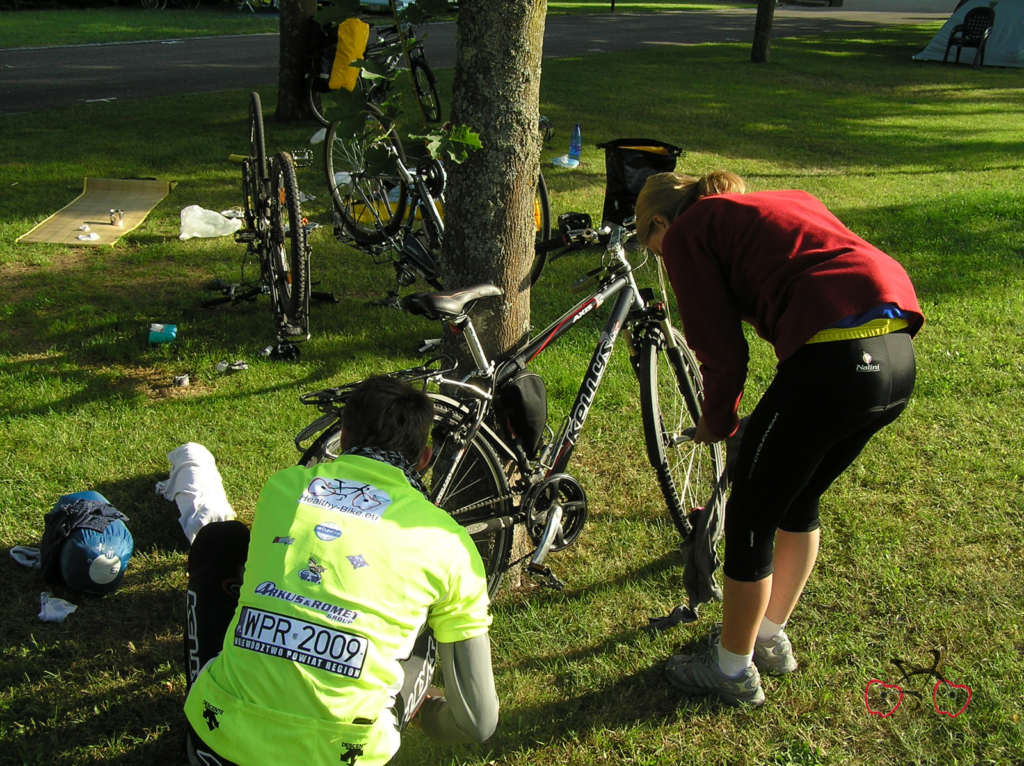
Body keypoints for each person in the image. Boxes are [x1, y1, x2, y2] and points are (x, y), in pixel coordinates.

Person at [635, 171, 923, 707]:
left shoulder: (686, 232)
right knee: (797, 499)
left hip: (835, 358)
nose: (661, 257)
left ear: (659, 222)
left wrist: (716, 422)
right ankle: (768, 636)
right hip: (898, 354)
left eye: (651, 244)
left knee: (751, 511)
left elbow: (721, 350)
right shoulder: (774, 202)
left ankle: (731, 669)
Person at [182, 377, 499, 764]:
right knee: (429, 622)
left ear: (344, 438)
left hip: (214, 747)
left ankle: (210, 688)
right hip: (340, 755)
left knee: (220, 540)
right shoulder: (449, 543)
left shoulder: (282, 488)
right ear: (425, 458)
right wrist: (431, 717)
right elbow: (480, 722)